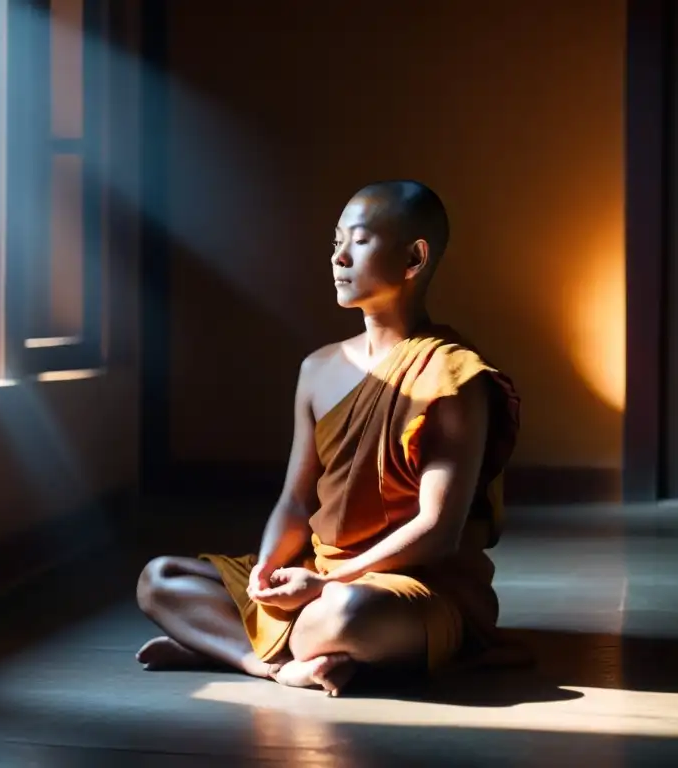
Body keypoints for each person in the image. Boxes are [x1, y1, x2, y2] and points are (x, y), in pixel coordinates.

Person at [135, 180, 521, 696]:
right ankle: (271, 664)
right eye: (334, 241)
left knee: (347, 615)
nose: (338, 257)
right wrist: (269, 568)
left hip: (407, 585)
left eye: (357, 241)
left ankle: (225, 644)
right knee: (158, 580)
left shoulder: (452, 376)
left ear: (413, 258)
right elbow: (296, 499)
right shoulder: (317, 369)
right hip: (315, 572)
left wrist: (331, 584)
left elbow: (438, 529)